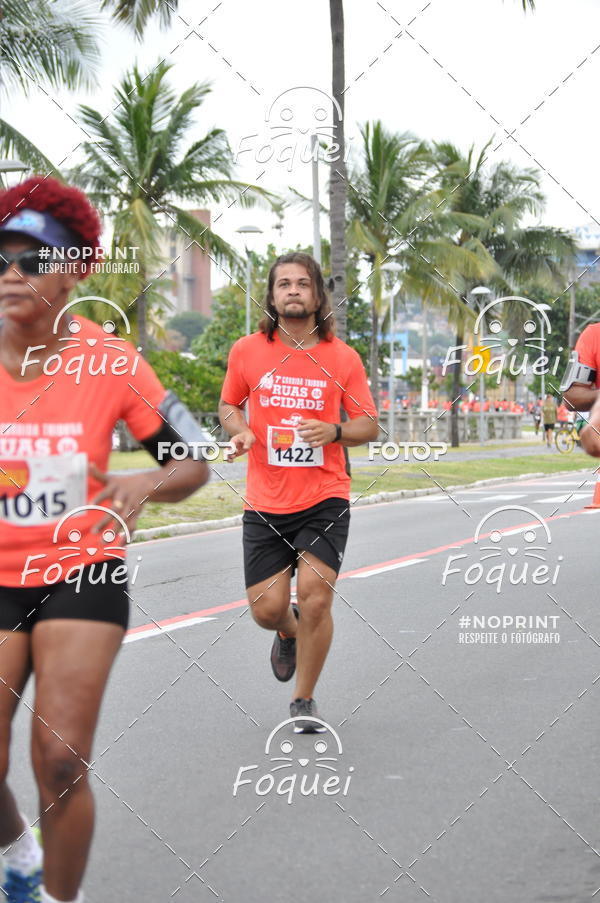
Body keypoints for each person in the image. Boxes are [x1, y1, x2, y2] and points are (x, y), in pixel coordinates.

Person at [0, 177, 210, 902]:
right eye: (0, 258)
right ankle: (18, 854)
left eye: (32, 259)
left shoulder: (112, 360)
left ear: (75, 270)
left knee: (59, 760)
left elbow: (192, 458)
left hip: (80, 569)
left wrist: (146, 482)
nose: (11, 273)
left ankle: (60, 899)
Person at [218, 252, 378, 732]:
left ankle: (303, 699)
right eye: (283, 283)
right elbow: (229, 405)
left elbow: (368, 424)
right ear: (271, 296)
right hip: (265, 499)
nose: (293, 290)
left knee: (316, 597)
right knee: (267, 611)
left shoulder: (342, 357)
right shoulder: (247, 351)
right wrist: (241, 432)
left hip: (325, 495)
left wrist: (335, 431)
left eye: (302, 283)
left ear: (317, 295)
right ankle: (288, 632)